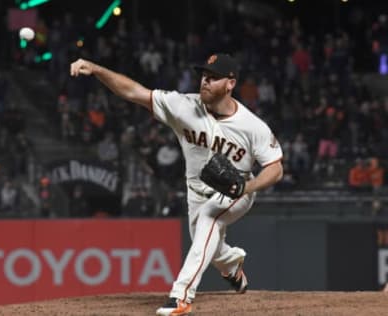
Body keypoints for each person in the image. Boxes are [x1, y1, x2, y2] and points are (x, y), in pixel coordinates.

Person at [70, 53, 283, 316]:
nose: (204, 81)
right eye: (204, 76)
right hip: (196, 193)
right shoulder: (182, 106)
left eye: (213, 77)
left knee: (209, 219)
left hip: (236, 192)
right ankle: (230, 265)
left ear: (230, 84)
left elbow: (275, 168)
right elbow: (134, 92)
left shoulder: (252, 126)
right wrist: (95, 68)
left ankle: (181, 296)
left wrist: (245, 188)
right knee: (207, 244)